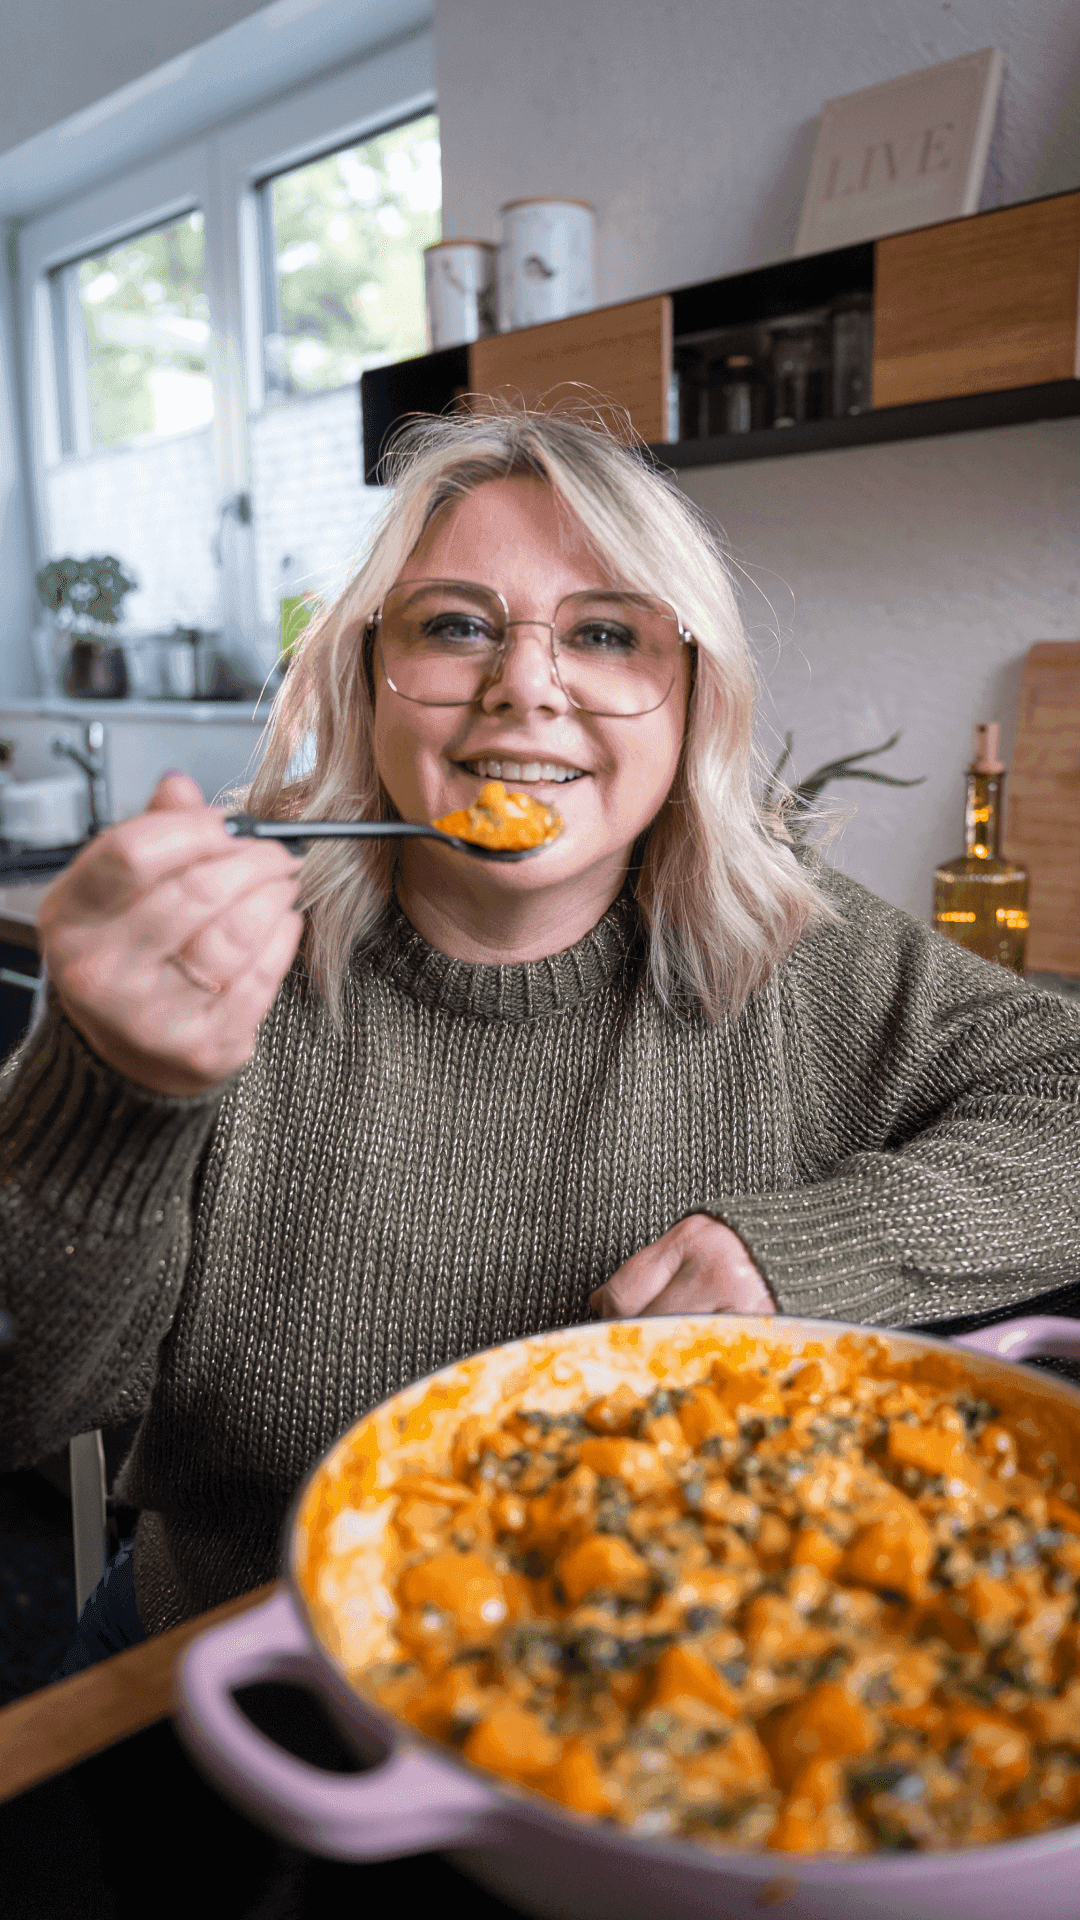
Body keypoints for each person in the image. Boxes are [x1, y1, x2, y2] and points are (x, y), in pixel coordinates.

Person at [2, 408, 1078, 1660]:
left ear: (691, 700)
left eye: (607, 634)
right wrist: (111, 1090)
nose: (525, 684)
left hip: (660, 1682)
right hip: (242, 1667)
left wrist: (820, 1252)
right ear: (366, 677)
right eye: (457, 627)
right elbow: (20, 1400)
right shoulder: (225, 972)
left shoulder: (797, 950)